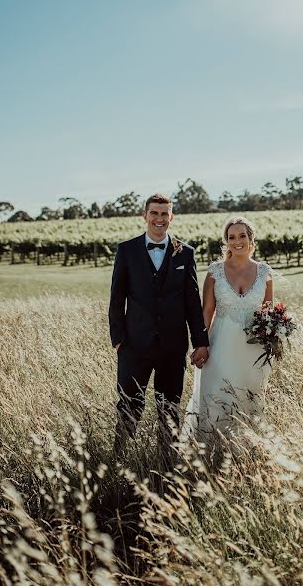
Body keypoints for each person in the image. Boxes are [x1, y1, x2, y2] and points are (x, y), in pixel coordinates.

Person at [109, 193, 209, 450]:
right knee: (129, 407)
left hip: (173, 347)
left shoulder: (185, 253)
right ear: (145, 216)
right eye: (154, 213)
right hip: (134, 346)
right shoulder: (127, 250)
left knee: (169, 409)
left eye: (164, 214)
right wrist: (118, 340)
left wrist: (200, 342)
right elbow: (117, 298)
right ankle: (120, 464)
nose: (159, 218)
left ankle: (167, 466)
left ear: (171, 217)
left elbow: (192, 301)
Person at [182, 217, 273, 443]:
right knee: (216, 398)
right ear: (226, 242)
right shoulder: (215, 272)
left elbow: (268, 313)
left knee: (249, 401)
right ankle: (208, 452)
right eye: (231, 237)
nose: (237, 241)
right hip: (220, 348)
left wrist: (275, 335)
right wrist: (201, 345)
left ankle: (246, 452)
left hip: (254, 354)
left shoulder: (265, 273)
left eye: (242, 236)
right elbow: (206, 314)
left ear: (251, 239)